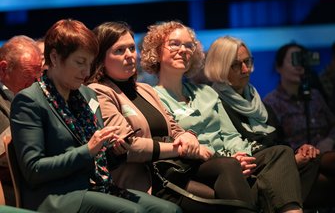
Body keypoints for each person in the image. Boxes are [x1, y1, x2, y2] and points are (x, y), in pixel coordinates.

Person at [9, 19, 182, 213]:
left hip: (98, 186)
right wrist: (88, 150)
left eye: (90, 63)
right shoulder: (30, 101)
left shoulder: (86, 95)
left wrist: (117, 150)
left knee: (169, 210)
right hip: (59, 196)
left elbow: (103, 159)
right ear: (55, 58)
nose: (86, 71)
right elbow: (34, 170)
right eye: (80, 62)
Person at [140, 20, 309, 213]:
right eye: (175, 44)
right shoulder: (152, 97)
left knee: (281, 152)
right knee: (231, 166)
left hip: (229, 159)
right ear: (157, 51)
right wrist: (230, 159)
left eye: (189, 45)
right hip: (196, 163)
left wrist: (242, 155)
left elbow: (230, 135)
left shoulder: (206, 92)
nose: (184, 50)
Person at [87, 21, 256, 213]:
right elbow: (130, 146)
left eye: (132, 48)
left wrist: (187, 136)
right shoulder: (99, 92)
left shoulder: (144, 89)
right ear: (101, 57)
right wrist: (179, 149)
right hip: (147, 179)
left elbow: (173, 127)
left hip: (172, 169)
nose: (129, 55)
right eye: (119, 50)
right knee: (223, 195)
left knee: (233, 168)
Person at [204, 36, 335, 210]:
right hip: (254, 172)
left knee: (319, 170)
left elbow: (281, 141)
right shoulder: (213, 103)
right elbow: (230, 147)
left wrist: (298, 154)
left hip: (282, 166)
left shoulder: (260, 104)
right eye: (236, 65)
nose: (245, 69)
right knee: (325, 182)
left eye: (247, 62)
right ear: (219, 67)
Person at [263, 43, 335, 153]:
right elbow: (273, 144)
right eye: (294, 59)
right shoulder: (271, 102)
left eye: (301, 59)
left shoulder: (315, 95)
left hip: (327, 152)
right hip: (299, 161)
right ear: (279, 67)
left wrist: (330, 140)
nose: (299, 65)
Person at [0, 35, 42, 206]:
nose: (37, 81)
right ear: (3, 69)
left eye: (39, 73)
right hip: (13, 192)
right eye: (28, 75)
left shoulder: (37, 94)